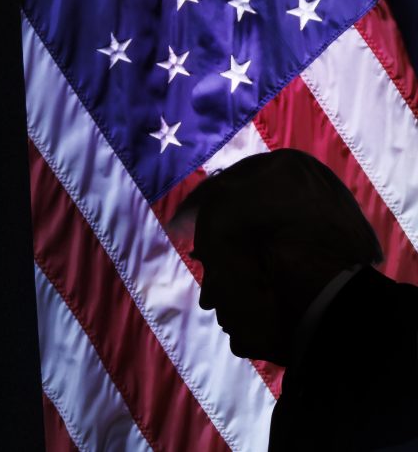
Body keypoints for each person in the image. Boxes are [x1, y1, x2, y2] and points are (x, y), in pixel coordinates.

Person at [174, 149, 418, 451]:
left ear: (276, 257)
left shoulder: (378, 368)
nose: (207, 299)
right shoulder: (334, 369)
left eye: (217, 267)